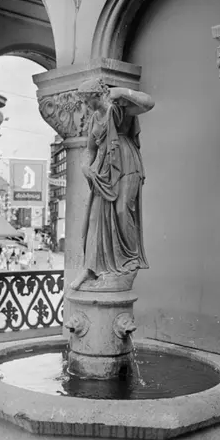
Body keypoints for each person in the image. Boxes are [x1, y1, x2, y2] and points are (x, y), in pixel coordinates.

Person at [71, 78, 155, 290]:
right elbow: (90, 149)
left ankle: (128, 263)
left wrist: (122, 92)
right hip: (103, 170)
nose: (86, 105)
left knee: (122, 211)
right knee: (94, 219)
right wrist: (85, 166)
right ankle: (90, 268)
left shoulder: (118, 109)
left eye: (87, 100)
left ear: (97, 95)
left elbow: (148, 103)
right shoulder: (94, 118)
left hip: (126, 163)